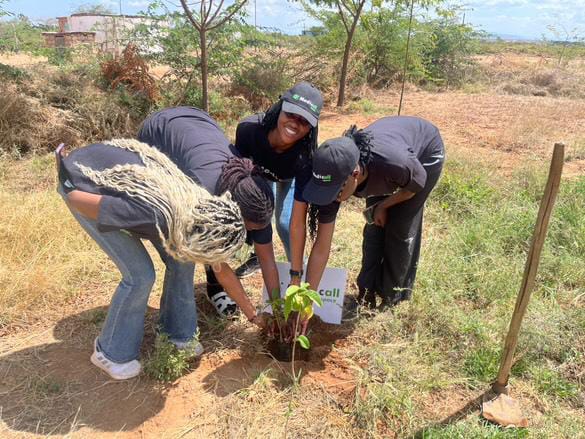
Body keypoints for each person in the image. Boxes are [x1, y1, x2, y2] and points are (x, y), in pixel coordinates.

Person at [56, 137, 273, 380]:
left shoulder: (205, 215)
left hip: (119, 183)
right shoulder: (154, 213)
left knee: (182, 259)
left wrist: (253, 315)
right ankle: (110, 352)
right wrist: (70, 180)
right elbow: (79, 200)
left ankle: (177, 335)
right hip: (82, 187)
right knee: (140, 275)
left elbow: (220, 268)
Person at [137, 106, 282, 317]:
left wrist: (277, 309)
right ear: (233, 212)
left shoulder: (257, 198)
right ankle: (176, 317)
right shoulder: (205, 197)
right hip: (158, 133)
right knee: (184, 249)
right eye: (248, 229)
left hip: (198, 118)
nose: (251, 234)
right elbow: (220, 266)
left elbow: (267, 260)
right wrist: (253, 315)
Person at [290, 115, 445, 310]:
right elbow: (322, 245)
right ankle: (366, 293)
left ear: (355, 174)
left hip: (423, 158)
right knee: (373, 226)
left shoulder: (394, 164)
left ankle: (391, 298)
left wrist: (383, 205)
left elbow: (415, 186)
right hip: (382, 159)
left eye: (335, 192)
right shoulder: (334, 170)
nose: (331, 197)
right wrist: (306, 302)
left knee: (399, 227)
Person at [206, 82, 324, 315]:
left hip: (287, 177)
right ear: (279, 107)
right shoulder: (249, 131)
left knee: (285, 224)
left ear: (312, 128)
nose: (295, 123)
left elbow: (298, 221)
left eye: (304, 121)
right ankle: (217, 285)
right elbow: (237, 178)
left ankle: (298, 284)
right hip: (255, 175)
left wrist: (295, 276)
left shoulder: (305, 157)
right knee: (235, 225)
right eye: (291, 114)